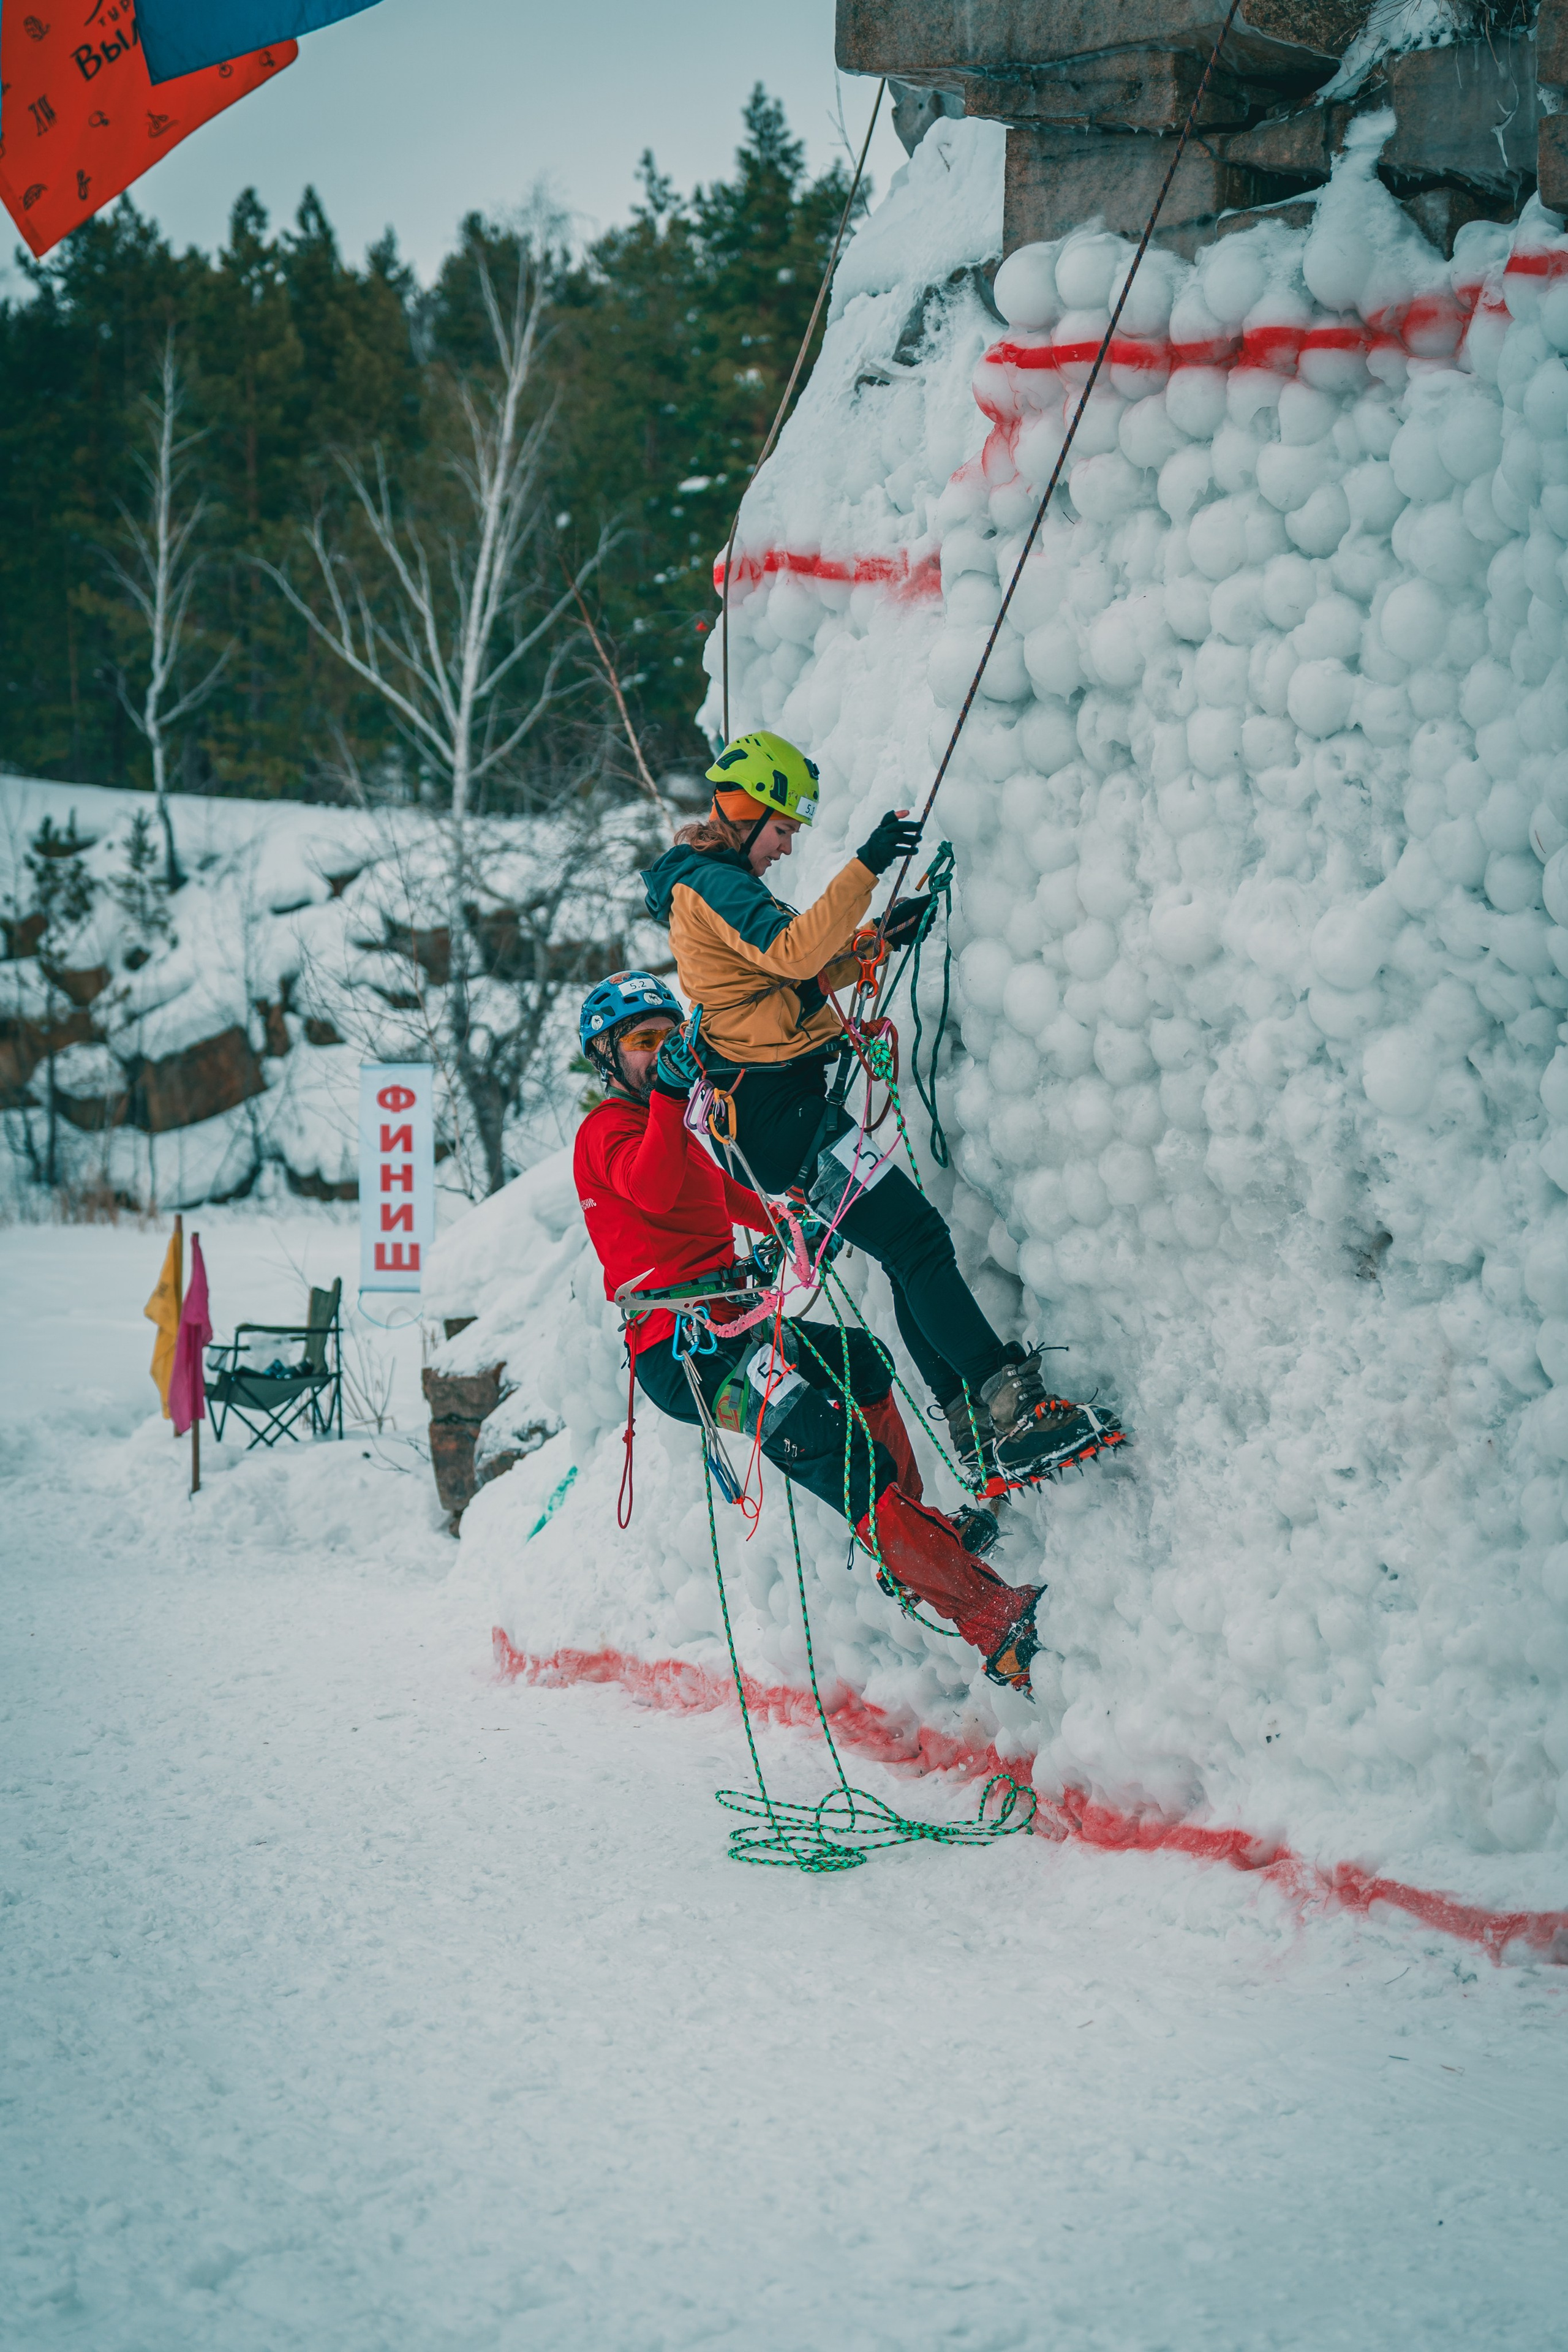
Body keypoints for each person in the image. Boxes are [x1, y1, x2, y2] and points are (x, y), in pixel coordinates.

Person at [638, 729, 1117, 1491]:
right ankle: (1011, 1414)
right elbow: (792, 954)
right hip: (778, 1114)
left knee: (906, 1250)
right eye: (782, 829)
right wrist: (866, 867)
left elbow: (782, 988)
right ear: (746, 809)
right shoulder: (713, 884)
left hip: (776, 1115)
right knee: (916, 1241)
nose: (787, 847)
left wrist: (874, 945)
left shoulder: (713, 886)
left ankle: (973, 1423)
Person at [573, 969, 1044, 1692]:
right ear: (606, 1058)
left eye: (669, 1035)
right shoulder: (605, 1131)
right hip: (684, 1353)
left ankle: (916, 1537)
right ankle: (990, 1620)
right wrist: (668, 1094)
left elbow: (715, 1192)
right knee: (837, 1451)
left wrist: (788, 1219)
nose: (661, 1049)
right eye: (642, 1040)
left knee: (862, 1362)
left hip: (730, 1330)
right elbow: (654, 1190)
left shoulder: (671, 1128)